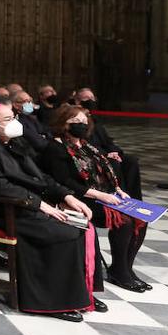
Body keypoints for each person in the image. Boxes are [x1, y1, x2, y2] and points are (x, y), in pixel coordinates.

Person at [0, 104, 96, 321]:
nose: (16, 121)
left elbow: (39, 177)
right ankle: (49, 301)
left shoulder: (15, 143)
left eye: (14, 116)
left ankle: (79, 293)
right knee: (64, 233)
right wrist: (39, 204)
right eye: (8, 118)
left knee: (81, 225)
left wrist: (65, 195)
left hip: (22, 205)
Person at [42, 105, 150, 294]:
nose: (81, 125)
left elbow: (105, 170)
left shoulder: (87, 145)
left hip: (100, 194)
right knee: (122, 220)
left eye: (84, 122)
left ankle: (125, 267)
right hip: (76, 198)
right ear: (63, 123)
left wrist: (117, 190)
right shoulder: (55, 147)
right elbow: (65, 181)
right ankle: (120, 272)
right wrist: (100, 195)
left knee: (141, 217)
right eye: (75, 122)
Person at [72, 87, 143, 198]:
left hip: (106, 153)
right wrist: (105, 155)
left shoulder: (95, 120)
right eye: (86, 98)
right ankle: (121, 198)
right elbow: (83, 143)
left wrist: (115, 151)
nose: (90, 100)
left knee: (131, 161)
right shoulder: (76, 120)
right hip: (92, 155)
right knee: (113, 163)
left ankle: (135, 199)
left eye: (92, 98)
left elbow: (107, 141)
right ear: (78, 101)